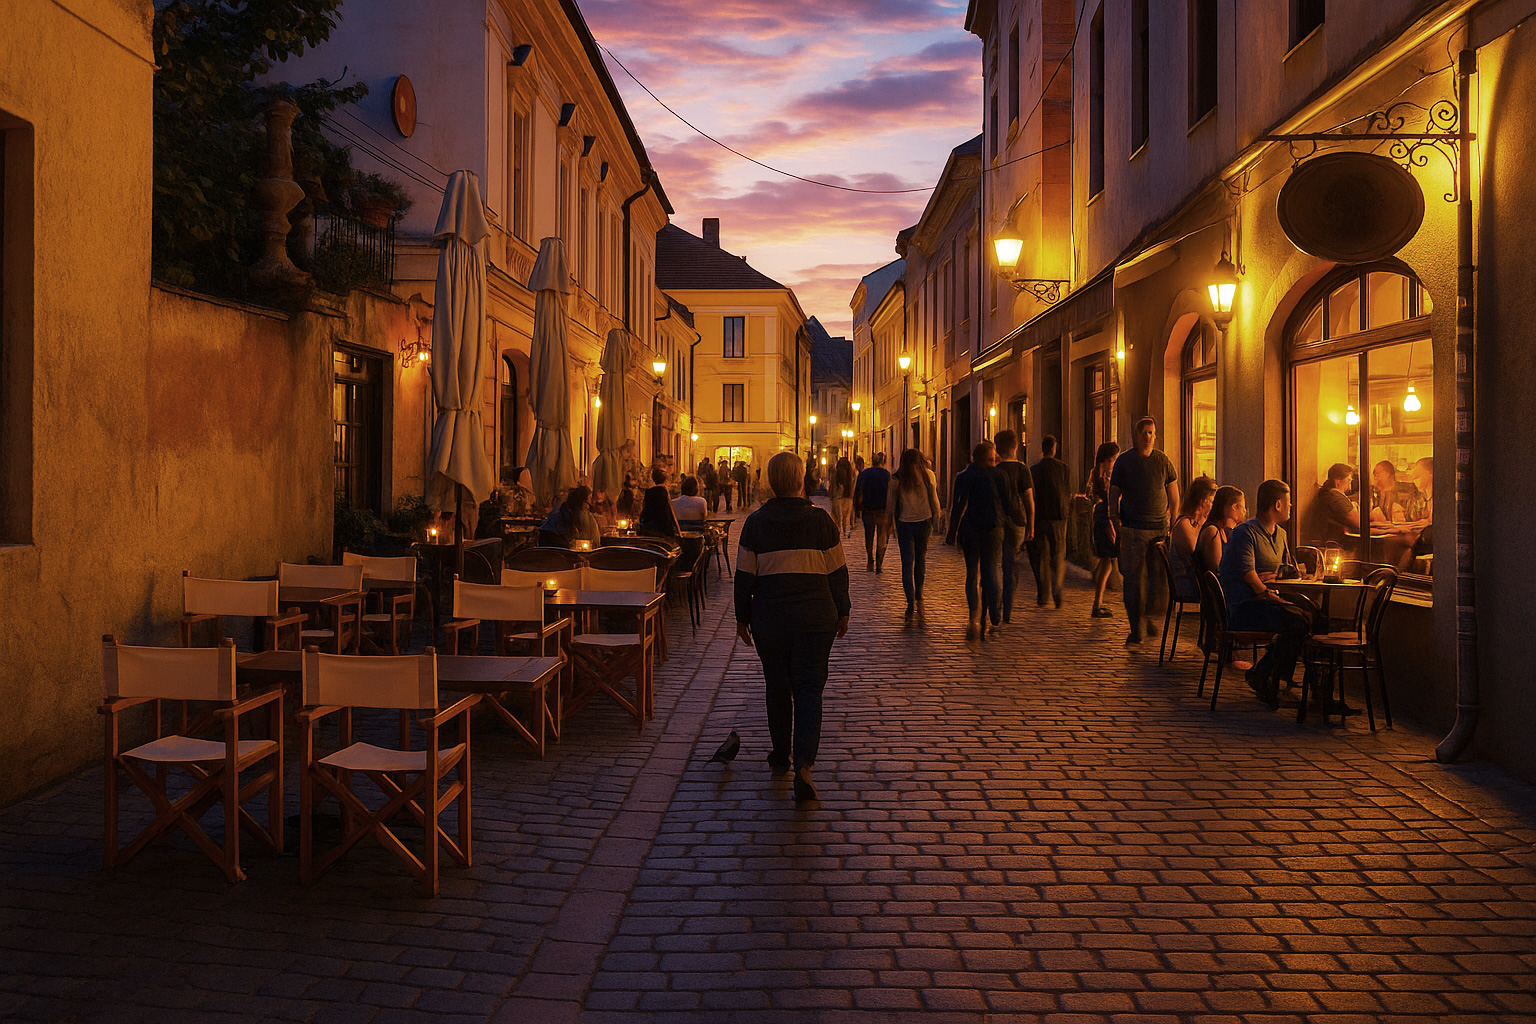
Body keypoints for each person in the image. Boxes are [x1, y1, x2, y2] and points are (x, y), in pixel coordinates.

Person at [734, 451, 851, 803]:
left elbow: (744, 577)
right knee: (809, 689)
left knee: (777, 686)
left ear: (770, 482)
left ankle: (780, 754)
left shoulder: (755, 523)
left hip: (770, 619)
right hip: (816, 619)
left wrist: (742, 617)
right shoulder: (822, 522)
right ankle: (804, 763)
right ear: (802, 480)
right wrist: (842, 610)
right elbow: (838, 573)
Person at [1219, 479, 1311, 706]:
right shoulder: (1245, 533)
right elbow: (1250, 578)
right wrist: (1270, 592)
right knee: (1297, 622)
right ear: (1277, 505)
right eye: (1288, 503)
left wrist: (1285, 576)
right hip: (1245, 608)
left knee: (1314, 616)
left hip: (1270, 603)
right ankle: (1266, 674)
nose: (1291, 507)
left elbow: (1288, 571)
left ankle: (1309, 683)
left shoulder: (1280, 535)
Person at [1109, 416, 1180, 645]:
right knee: (1132, 580)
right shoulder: (1124, 461)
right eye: (1144, 433)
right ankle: (1135, 626)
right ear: (1137, 435)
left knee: (1157, 579)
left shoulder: (1162, 460)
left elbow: (1173, 492)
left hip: (1159, 528)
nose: (1148, 437)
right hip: (1133, 529)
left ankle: (1150, 615)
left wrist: (1174, 520)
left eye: (1152, 432)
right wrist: (1113, 516)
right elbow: (1114, 491)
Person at [946, 441, 1016, 639]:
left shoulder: (964, 476)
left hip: (971, 528)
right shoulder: (1001, 475)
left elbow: (958, 506)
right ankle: (993, 613)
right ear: (990, 457)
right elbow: (1009, 504)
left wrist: (952, 531)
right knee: (991, 570)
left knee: (972, 573)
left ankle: (973, 617)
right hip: (994, 528)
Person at [890, 448, 942, 617]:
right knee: (920, 559)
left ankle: (910, 602)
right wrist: (937, 516)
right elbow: (933, 498)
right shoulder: (928, 475)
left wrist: (890, 525)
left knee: (907, 563)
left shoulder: (897, 478)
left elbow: (890, 505)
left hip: (904, 523)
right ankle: (919, 595)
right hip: (924, 521)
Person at [992, 430, 1035, 622]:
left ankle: (995, 606)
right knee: (1011, 564)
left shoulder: (993, 470)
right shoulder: (1022, 469)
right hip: (1017, 521)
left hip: (996, 521)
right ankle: (1007, 608)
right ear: (1016, 446)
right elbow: (1029, 501)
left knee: (994, 564)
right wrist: (1031, 525)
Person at [1029, 435, 1072, 610]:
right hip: (1058, 517)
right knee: (1058, 556)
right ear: (1054, 448)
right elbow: (1067, 491)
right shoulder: (1063, 469)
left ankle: (1043, 594)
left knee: (1041, 557)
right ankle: (1057, 587)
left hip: (1040, 517)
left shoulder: (1034, 470)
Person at [1169, 476, 1217, 604]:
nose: (1213, 506)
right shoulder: (1185, 524)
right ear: (1203, 501)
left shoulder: (1197, 523)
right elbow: (1195, 551)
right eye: (1211, 501)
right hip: (1189, 583)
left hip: (1197, 579)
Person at [1089, 442, 1120, 618]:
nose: (1114, 463)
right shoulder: (1103, 478)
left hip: (1101, 518)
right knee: (1109, 560)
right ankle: (1097, 603)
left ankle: (1098, 601)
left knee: (1107, 561)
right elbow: (1107, 503)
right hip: (1105, 519)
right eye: (1113, 459)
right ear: (1106, 460)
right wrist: (1111, 524)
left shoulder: (1096, 474)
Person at [1303, 463, 1360, 550]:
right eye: (1348, 479)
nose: (1351, 481)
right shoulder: (1336, 497)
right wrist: (1386, 530)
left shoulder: (1331, 493)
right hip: (1338, 545)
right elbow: (1359, 525)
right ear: (1337, 482)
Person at [852, 451, 893, 573]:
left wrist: (856, 508)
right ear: (882, 462)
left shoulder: (864, 474)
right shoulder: (887, 474)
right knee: (882, 536)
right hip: (883, 510)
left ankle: (870, 559)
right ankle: (879, 562)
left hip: (868, 509)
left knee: (868, 535)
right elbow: (891, 493)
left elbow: (857, 491)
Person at [1198, 485, 1247, 575]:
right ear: (1234, 507)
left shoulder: (1229, 531)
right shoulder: (1212, 531)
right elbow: (1218, 569)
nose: (1245, 511)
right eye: (1243, 506)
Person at [637, 468, 680, 537]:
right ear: (666, 481)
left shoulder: (649, 492)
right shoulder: (664, 492)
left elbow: (644, 508)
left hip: (650, 527)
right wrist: (678, 530)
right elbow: (670, 511)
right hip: (663, 527)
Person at [1369, 461, 1404, 525]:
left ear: (1388, 474)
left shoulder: (1400, 493)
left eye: (1379, 472)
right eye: (1375, 473)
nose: (1376, 476)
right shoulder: (1373, 493)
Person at [832, 457, 856, 538]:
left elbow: (832, 488)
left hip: (837, 498)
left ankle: (839, 533)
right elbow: (853, 487)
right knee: (846, 518)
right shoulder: (851, 475)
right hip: (848, 498)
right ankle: (846, 532)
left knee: (838, 519)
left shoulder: (835, 475)